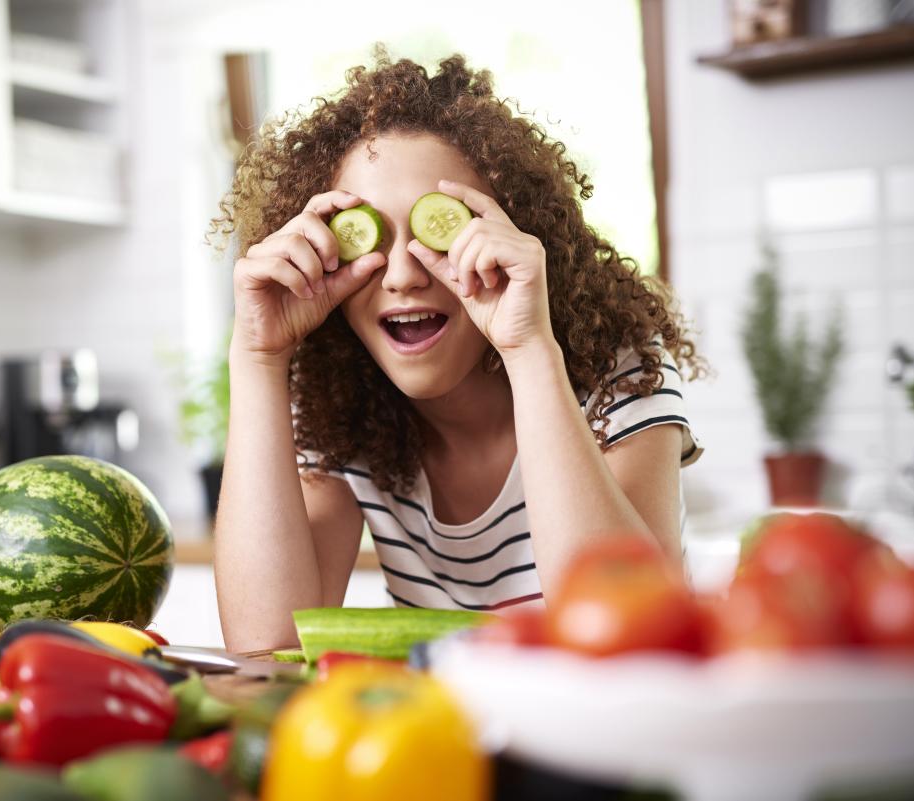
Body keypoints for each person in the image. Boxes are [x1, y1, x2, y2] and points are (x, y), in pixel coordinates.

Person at [209, 50, 704, 652]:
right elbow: (268, 643)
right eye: (366, 237)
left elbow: (631, 631)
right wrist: (257, 359)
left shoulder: (615, 375)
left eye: (436, 231)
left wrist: (528, 350)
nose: (399, 276)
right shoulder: (340, 414)